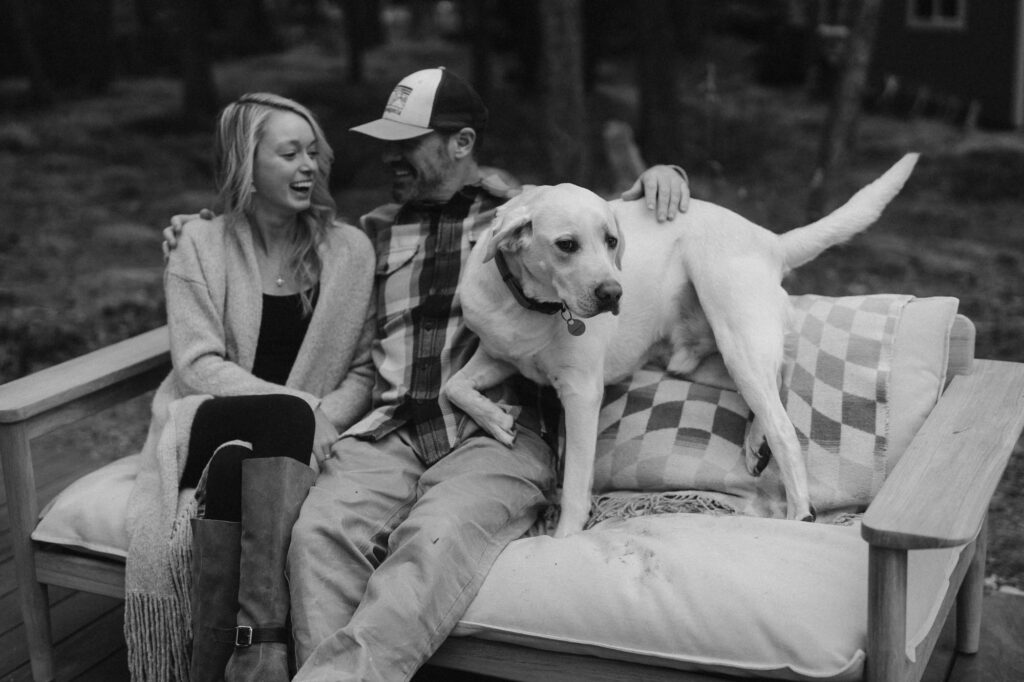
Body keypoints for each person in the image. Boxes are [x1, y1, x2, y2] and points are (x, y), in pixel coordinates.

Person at [163, 67, 689, 680]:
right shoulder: (370, 235)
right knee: (318, 536)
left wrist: (659, 181)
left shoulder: (521, 213)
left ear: (460, 144)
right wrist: (199, 230)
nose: (392, 156)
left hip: (496, 437)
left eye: (407, 143)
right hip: (390, 431)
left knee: (431, 543)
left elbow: (594, 228)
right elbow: (268, 244)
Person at [125, 92, 376, 682]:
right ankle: (264, 651)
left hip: (282, 443)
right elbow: (197, 363)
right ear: (246, 162)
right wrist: (302, 409)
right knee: (275, 425)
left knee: (246, 462)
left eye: (313, 152)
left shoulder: (350, 251)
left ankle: (226, 658)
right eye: (289, 153)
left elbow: (364, 371)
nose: (308, 166)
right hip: (207, 418)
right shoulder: (200, 245)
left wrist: (316, 418)